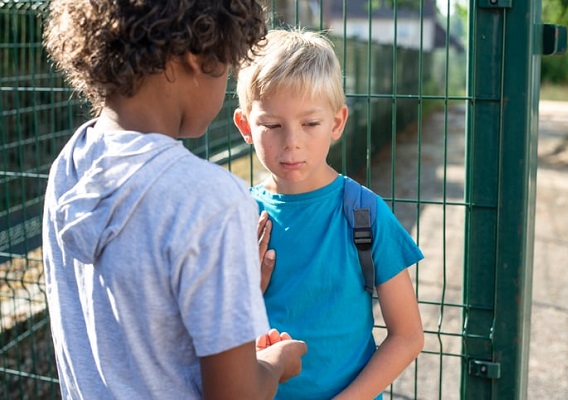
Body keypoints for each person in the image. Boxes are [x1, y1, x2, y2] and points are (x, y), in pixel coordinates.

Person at [41, 1, 306, 399]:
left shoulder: (70, 165)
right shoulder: (211, 199)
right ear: (198, 56)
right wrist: (276, 363)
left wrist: (230, 280)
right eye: (230, 63)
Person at [233, 29, 425, 400]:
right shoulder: (236, 216)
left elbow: (408, 335)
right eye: (272, 125)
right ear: (245, 126)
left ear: (337, 122)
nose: (292, 141)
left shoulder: (364, 214)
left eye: (310, 123)